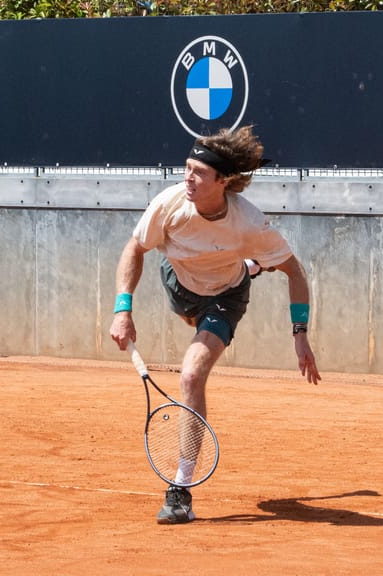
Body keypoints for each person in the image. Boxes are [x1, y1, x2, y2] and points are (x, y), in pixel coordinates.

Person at [109, 125, 320, 525]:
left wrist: (300, 334)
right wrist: (123, 308)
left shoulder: (249, 222)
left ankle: (180, 490)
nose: (187, 178)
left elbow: (295, 270)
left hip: (225, 298)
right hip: (178, 282)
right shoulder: (170, 204)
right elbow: (135, 247)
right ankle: (252, 265)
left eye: (198, 173)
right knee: (225, 274)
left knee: (191, 375)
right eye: (186, 168)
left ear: (223, 182)